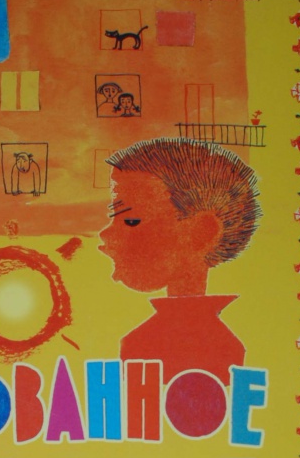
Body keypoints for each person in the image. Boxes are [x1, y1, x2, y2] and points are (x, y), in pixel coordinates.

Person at [98, 138, 261, 384]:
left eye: (131, 220)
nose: (105, 234)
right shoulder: (144, 341)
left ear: (200, 234)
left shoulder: (214, 347)